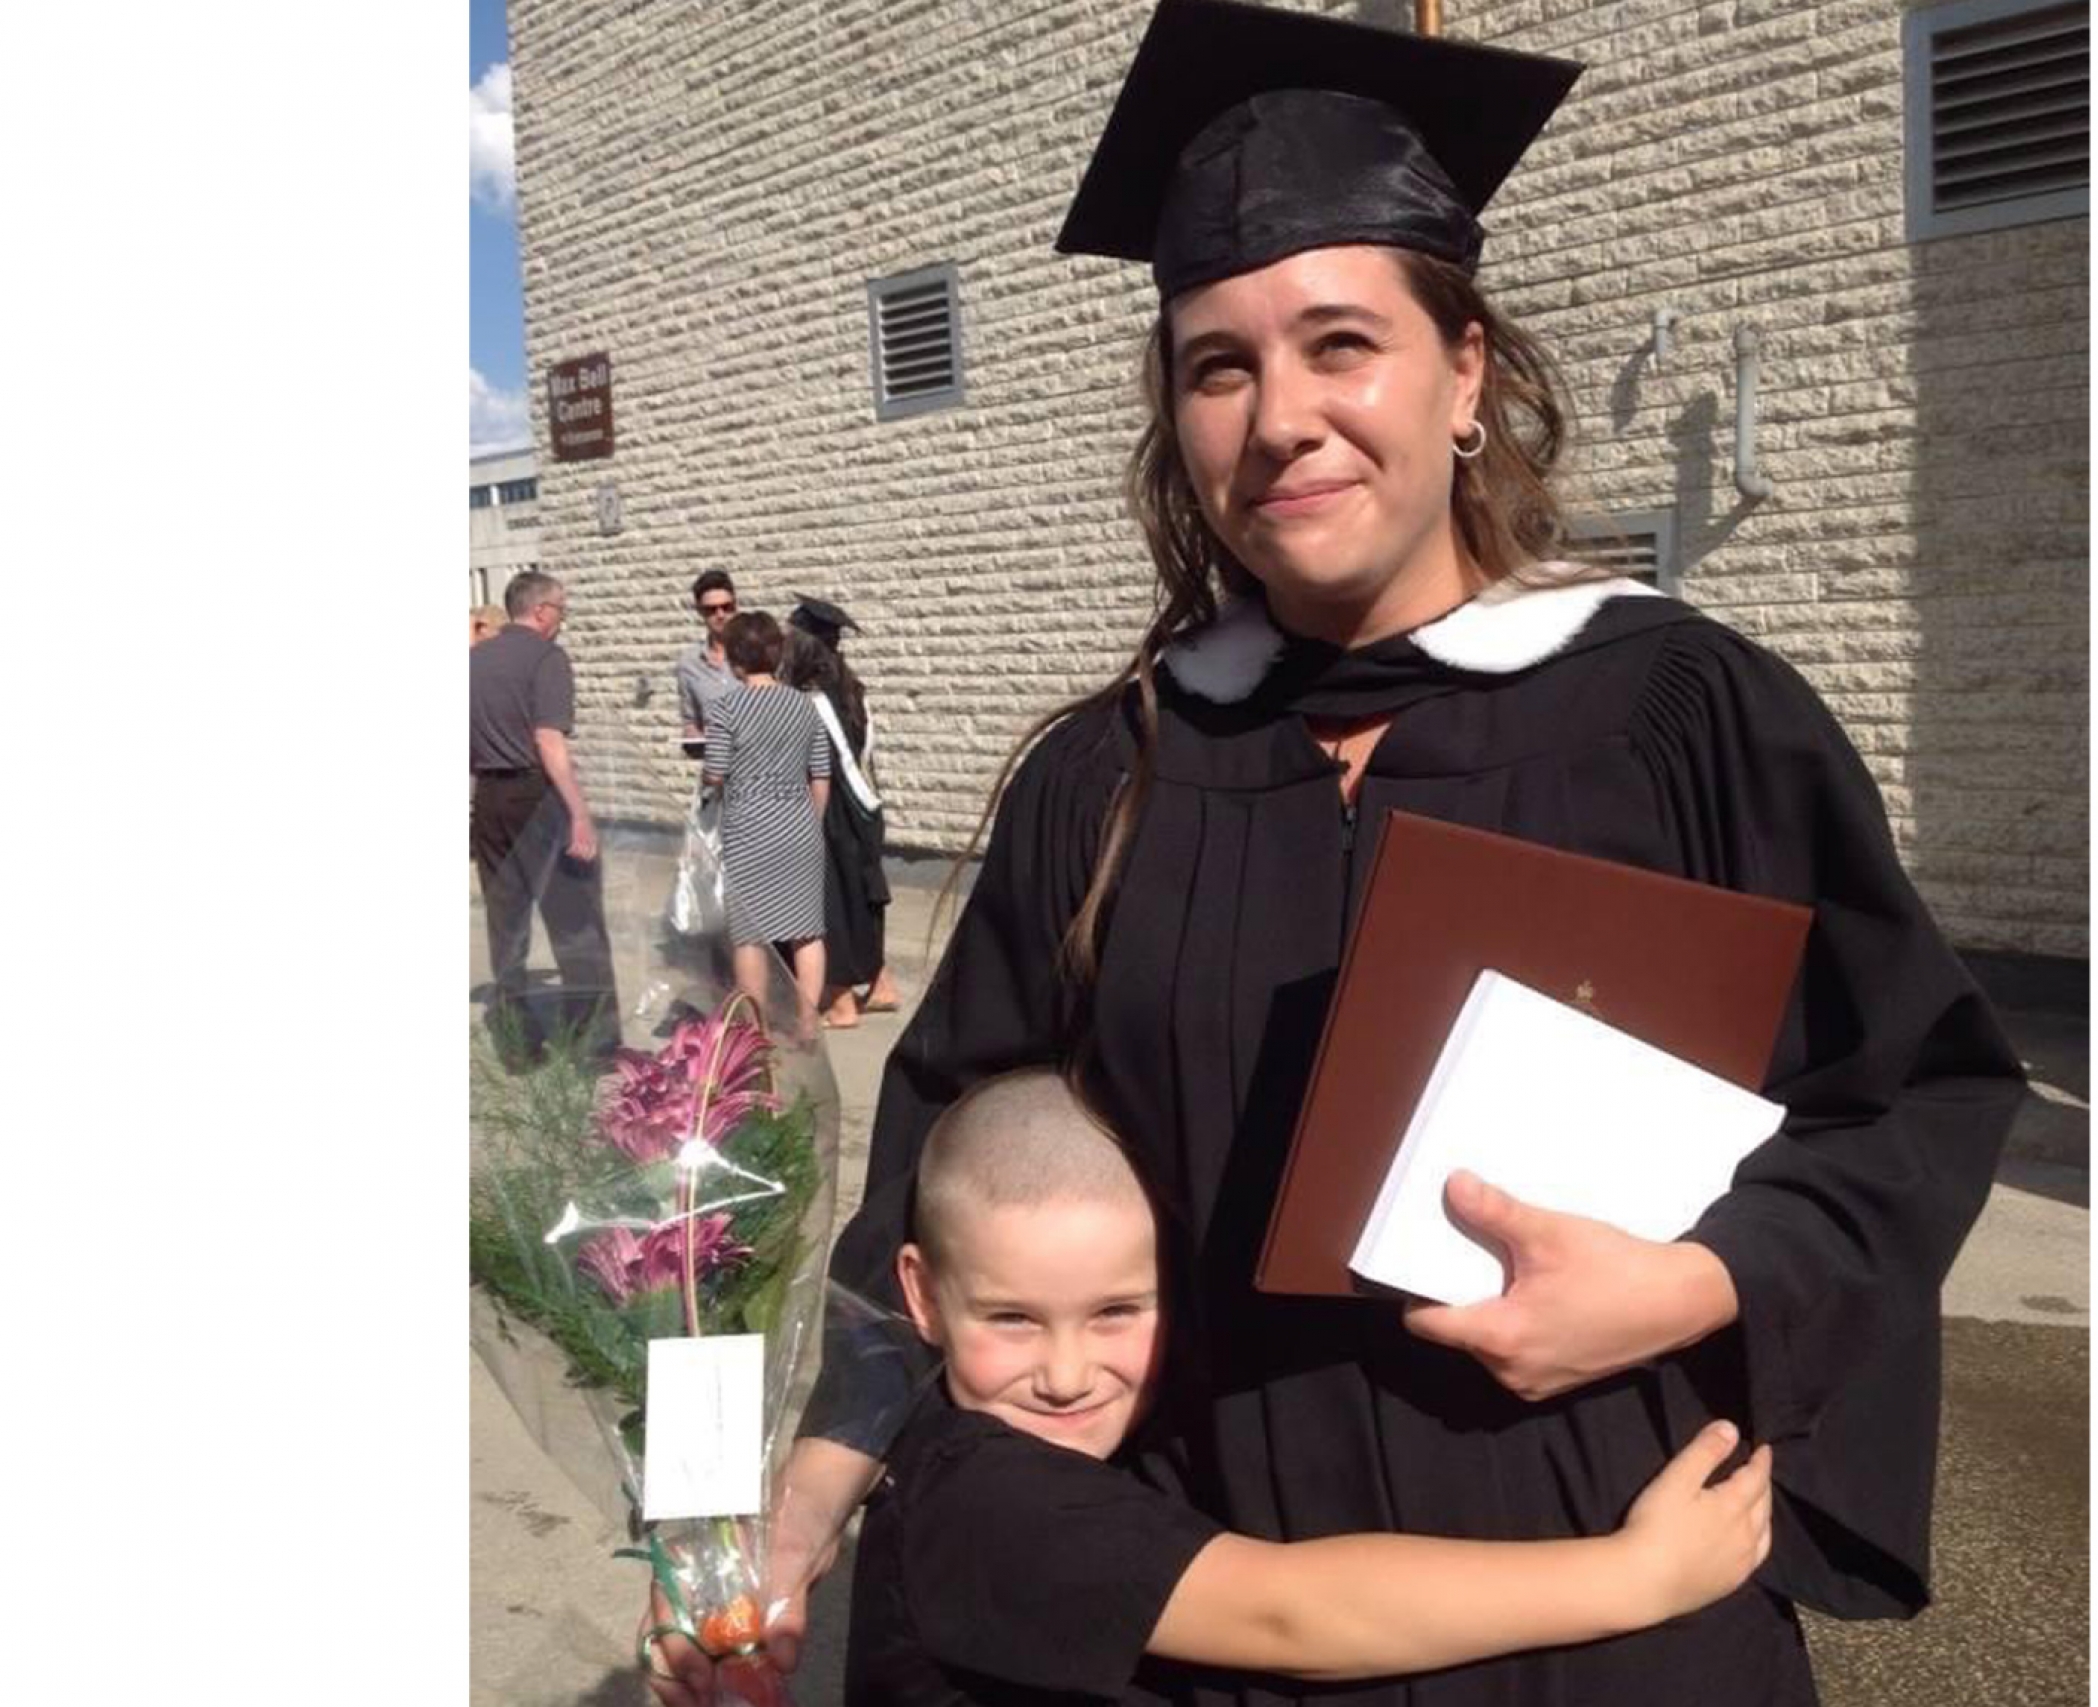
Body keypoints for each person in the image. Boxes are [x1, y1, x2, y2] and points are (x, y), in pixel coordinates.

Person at [807, 5, 2025, 1705]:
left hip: (1612, 1601)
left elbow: (1908, 1095)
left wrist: (1699, 1280)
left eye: (1339, 344)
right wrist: (809, 1488)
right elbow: (951, 1150)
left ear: (1464, 372)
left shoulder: (1680, 713)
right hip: (1228, 1611)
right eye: (1219, 365)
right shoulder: (1111, 777)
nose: (1280, 416)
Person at [643, 1069, 1775, 1707]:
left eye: (1116, 1313)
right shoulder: (989, 1499)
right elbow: (1289, 1610)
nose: (1070, 1373)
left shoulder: (991, 1454)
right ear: (921, 1297)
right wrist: (1635, 1574)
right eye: (1011, 1319)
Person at [469, 569, 621, 1065]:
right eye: (561, 610)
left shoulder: (473, 663)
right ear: (540, 611)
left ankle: (518, 1046)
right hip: (539, 795)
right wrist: (579, 814)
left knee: (506, 921)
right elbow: (549, 741)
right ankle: (594, 1042)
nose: (562, 620)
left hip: (490, 799)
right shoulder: (547, 658)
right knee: (575, 919)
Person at [701, 610, 833, 1031]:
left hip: (747, 828)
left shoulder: (725, 707)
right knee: (807, 931)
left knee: (750, 934)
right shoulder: (805, 706)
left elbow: (716, 771)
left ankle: (755, 1031)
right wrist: (811, 822)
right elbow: (821, 774)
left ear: (734, 658)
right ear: (777, 654)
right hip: (798, 824)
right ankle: (809, 1024)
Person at [780, 598, 904, 1028]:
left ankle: (840, 1000)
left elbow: (812, 765)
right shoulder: (854, 690)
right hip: (864, 807)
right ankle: (882, 983)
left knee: (832, 902)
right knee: (865, 896)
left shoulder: (807, 701)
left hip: (830, 811)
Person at [677, 570, 741, 743]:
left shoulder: (756, 652)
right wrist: (693, 738)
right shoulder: (689, 664)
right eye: (711, 610)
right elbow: (691, 720)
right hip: (718, 764)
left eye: (727, 607)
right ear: (700, 611)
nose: (720, 615)